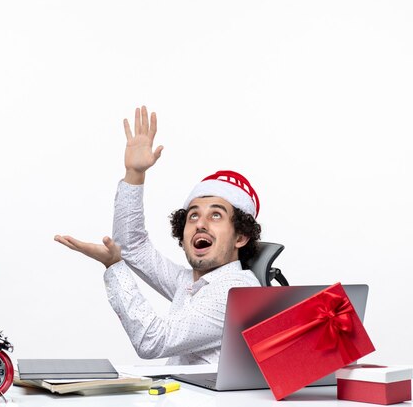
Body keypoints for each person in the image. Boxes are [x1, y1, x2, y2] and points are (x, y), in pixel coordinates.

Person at [54, 106, 262, 365]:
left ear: (241, 237)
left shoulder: (236, 292)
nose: (200, 224)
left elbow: (153, 341)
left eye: (216, 215)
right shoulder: (191, 283)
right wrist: (135, 174)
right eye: (193, 215)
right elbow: (133, 246)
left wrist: (113, 266)